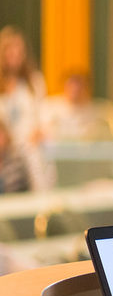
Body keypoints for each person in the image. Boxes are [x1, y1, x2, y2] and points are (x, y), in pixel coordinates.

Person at [0, 26, 53, 190]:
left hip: (30, 145)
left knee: (35, 156)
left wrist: (39, 131)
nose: (15, 54)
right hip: (5, 148)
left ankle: (42, 206)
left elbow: (44, 115)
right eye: (10, 50)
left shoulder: (34, 82)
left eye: (19, 50)